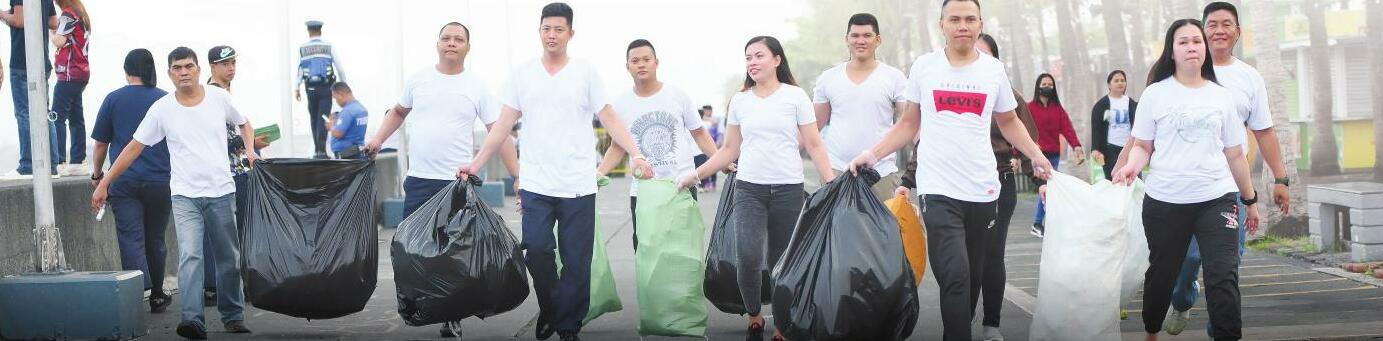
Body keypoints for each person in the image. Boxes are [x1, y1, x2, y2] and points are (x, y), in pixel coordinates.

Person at [846, 1, 1053, 340]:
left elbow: (1009, 120)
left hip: (982, 189)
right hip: (937, 188)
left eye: (970, 19)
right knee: (954, 275)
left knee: (971, 276)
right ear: (941, 24)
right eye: (954, 19)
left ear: (980, 24)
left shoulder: (992, 70)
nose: (962, 25)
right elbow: (909, 122)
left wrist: (1036, 155)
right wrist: (872, 153)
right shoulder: (926, 67)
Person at [461, 4, 654, 340]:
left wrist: (636, 153)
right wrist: (475, 164)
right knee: (536, 249)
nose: (552, 35)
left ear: (570, 33)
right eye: (546, 29)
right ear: (539, 31)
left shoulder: (585, 72)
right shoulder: (522, 73)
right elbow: (503, 125)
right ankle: (551, 306)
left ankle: (568, 326)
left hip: (578, 183)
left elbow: (609, 118)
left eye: (559, 29)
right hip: (536, 181)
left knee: (577, 261)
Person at [361, 22, 520, 337]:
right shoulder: (418, 80)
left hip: (456, 182)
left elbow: (500, 134)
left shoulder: (476, 86)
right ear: (437, 44)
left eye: (458, 39)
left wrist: (518, 176)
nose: (451, 43)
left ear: (467, 48)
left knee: (451, 254)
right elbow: (397, 112)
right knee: (410, 247)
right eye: (446, 38)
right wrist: (378, 139)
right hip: (419, 179)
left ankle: (451, 316)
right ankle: (420, 302)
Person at [675, 35, 834, 341]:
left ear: (776, 60)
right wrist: (694, 175)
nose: (752, 62)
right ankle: (755, 315)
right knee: (747, 257)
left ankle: (784, 324)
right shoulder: (741, 101)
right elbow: (728, 149)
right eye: (748, 57)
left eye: (759, 55)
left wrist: (831, 183)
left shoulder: (795, 97)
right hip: (748, 189)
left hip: (788, 189)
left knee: (782, 260)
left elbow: (814, 143)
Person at [1111, 18, 1261, 341]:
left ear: (1204, 49)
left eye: (1196, 41)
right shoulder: (1155, 95)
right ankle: (1151, 332)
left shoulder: (1221, 97)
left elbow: (1235, 154)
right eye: (1183, 42)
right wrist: (1131, 167)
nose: (1191, 46)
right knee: (1162, 275)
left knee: (1223, 275)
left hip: (1217, 198)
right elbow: (1142, 146)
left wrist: (1249, 200)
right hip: (1166, 201)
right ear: (1172, 51)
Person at [92, 47, 256, 340]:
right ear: (169, 74)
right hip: (184, 196)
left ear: (197, 69)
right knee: (190, 256)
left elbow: (244, 123)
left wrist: (252, 151)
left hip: (221, 192)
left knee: (228, 258)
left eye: (188, 66)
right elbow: (133, 148)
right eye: (177, 68)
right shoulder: (162, 108)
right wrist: (104, 182)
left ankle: (232, 315)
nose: (183, 72)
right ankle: (193, 320)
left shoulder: (219, 99)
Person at [1157, 2, 1295, 336]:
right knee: (1187, 260)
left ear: (1238, 32)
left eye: (1227, 24)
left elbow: (1263, 131)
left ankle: (1222, 331)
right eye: (1212, 24)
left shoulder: (1249, 78)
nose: (1219, 30)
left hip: (1231, 187)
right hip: (1184, 188)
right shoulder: (1180, 71)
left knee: (1226, 269)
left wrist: (1281, 178)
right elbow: (1148, 129)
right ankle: (1182, 297)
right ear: (1202, 31)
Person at [594, 39, 717, 250]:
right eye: (635, 61)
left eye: (646, 59)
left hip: (680, 186)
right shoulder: (621, 103)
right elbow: (617, 146)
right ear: (627, 67)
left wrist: (719, 161)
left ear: (656, 62)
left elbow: (699, 133)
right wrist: (600, 172)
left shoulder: (677, 95)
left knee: (683, 249)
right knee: (646, 248)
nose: (641, 64)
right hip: (643, 191)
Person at [90, 49, 171, 314]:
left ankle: (138, 291)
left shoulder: (114, 99)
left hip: (124, 181)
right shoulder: (165, 100)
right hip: (160, 179)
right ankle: (157, 294)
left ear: (126, 71)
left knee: (130, 238)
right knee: (155, 239)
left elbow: (101, 143)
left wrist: (98, 175)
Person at [971, 32, 1039, 341]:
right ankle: (962, 317)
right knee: (963, 258)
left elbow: (1026, 137)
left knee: (992, 255)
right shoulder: (946, 89)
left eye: (985, 55)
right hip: (957, 181)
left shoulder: (1009, 94)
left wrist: (1039, 178)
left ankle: (991, 324)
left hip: (999, 179)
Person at [812, 12, 908, 201]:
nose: (860, 41)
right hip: (836, 171)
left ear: (878, 39)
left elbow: (909, 121)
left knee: (883, 230)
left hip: (881, 171)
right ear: (846, 39)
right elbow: (813, 128)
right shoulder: (828, 78)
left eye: (867, 35)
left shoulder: (894, 77)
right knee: (837, 230)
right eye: (855, 36)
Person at [1, 0, 59, 178]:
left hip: (22, 62)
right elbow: (53, 22)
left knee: (24, 113)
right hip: (42, 61)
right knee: (44, 113)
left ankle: (27, 165)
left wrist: (2, 15)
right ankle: (52, 165)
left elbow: (19, 21)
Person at [1027, 73, 1084, 238]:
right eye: (1044, 84)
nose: (1047, 87)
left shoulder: (1057, 109)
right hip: (1038, 155)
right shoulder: (1030, 108)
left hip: (1053, 155)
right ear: (1038, 86)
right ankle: (1038, 223)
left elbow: (1067, 128)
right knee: (1047, 188)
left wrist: (1077, 146)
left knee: (1049, 189)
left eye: (1050, 84)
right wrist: (1023, 153)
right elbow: (1024, 129)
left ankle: (1043, 223)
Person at [294, 20, 348, 159]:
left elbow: (300, 69)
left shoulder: (303, 48)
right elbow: (340, 68)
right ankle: (322, 151)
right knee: (323, 117)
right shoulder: (328, 46)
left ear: (309, 31)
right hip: (326, 87)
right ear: (320, 30)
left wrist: (297, 88)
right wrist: (344, 86)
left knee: (313, 118)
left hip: (310, 88)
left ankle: (317, 150)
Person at [51, 0, 90, 176]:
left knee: (57, 117)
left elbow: (60, 41)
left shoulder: (68, 14)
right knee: (76, 118)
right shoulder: (82, 15)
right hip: (81, 72)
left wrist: (50, 31)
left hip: (68, 73)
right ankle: (78, 161)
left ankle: (59, 160)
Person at [1090, 70, 1137, 181]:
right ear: (1109, 85)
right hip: (1110, 149)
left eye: (1122, 80)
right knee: (1114, 180)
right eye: (1116, 81)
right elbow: (1096, 128)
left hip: (1129, 148)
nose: (1120, 83)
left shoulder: (1132, 103)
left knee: (1132, 180)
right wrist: (1095, 148)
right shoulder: (1101, 105)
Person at [327, 82, 367, 159]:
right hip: (357, 154)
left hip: (347, 156)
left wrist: (331, 126)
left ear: (340, 94)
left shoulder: (348, 111)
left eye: (335, 98)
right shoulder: (362, 109)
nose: (336, 102)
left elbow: (338, 133)